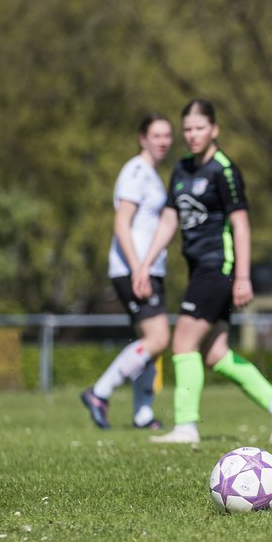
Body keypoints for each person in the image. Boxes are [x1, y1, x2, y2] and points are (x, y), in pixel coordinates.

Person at [132, 99, 272, 445]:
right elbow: (169, 220)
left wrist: (242, 276)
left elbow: (240, 225)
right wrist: (145, 263)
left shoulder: (224, 170)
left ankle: (186, 426)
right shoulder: (181, 169)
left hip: (218, 267)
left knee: (182, 341)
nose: (193, 135)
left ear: (214, 130)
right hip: (198, 268)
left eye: (199, 128)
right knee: (215, 353)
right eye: (188, 130)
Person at [80, 113, 174, 431]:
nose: (163, 141)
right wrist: (138, 269)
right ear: (142, 138)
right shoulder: (135, 171)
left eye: (167, 136)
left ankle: (143, 414)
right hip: (132, 269)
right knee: (159, 338)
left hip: (148, 268)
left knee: (149, 340)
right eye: (157, 135)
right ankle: (99, 392)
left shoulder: (152, 174)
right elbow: (122, 222)